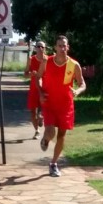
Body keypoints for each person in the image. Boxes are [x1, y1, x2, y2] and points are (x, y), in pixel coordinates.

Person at [36, 35, 86, 177]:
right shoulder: (47, 61)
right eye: (59, 46)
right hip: (49, 103)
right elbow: (38, 77)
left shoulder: (74, 65)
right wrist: (41, 92)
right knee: (51, 132)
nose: (62, 48)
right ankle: (45, 139)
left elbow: (82, 83)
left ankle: (53, 164)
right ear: (55, 47)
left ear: (68, 47)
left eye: (64, 46)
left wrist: (78, 91)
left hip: (66, 105)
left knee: (62, 135)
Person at [24, 41, 47, 137]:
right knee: (33, 112)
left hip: (45, 88)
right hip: (33, 88)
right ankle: (37, 130)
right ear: (35, 48)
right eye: (38, 46)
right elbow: (25, 74)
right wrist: (31, 74)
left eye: (42, 47)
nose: (40, 48)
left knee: (44, 108)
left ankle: (41, 117)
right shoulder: (31, 59)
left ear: (45, 49)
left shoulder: (48, 59)